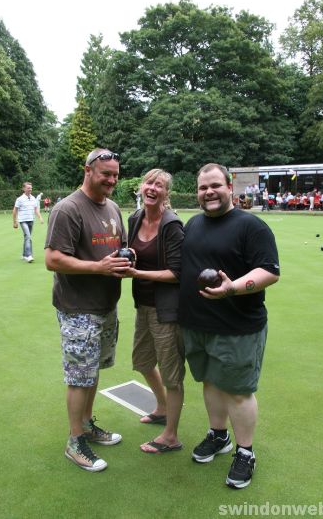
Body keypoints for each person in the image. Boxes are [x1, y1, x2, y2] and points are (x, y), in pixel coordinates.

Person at [179, 163, 280, 489]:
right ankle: (218, 435)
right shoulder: (193, 224)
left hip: (238, 326)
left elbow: (269, 272)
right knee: (210, 382)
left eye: (214, 186)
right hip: (198, 324)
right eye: (202, 187)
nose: (208, 192)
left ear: (229, 187)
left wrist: (232, 288)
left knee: (238, 392)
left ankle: (245, 452)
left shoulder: (251, 227)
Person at [45, 148, 132, 472]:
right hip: (77, 309)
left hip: (106, 306)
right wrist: (98, 267)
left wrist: (126, 258)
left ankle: (86, 425)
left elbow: (115, 248)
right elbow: (53, 259)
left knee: (93, 371)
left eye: (115, 175)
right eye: (106, 174)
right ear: (88, 171)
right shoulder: (68, 209)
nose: (111, 180)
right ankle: (74, 441)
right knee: (80, 377)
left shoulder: (111, 207)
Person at [124, 169, 185, 453]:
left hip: (166, 310)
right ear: (140, 187)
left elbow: (177, 272)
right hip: (143, 305)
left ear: (166, 193)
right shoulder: (135, 218)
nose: (152, 188)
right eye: (149, 182)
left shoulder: (171, 225)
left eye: (159, 185)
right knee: (143, 361)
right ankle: (161, 408)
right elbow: (130, 253)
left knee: (172, 374)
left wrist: (136, 273)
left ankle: (171, 435)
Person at [12, 182, 44, 263]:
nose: (30, 189)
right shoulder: (19, 199)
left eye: (31, 188)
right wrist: (15, 222)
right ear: (24, 189)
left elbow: (36, 209)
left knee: (27, 237)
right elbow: (15, 210)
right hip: (23, 221)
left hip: (31, 220)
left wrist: (40, 217)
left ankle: (24, 254)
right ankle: (29, 255)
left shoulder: (33, 198)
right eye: (28, 188)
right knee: (28, 237)